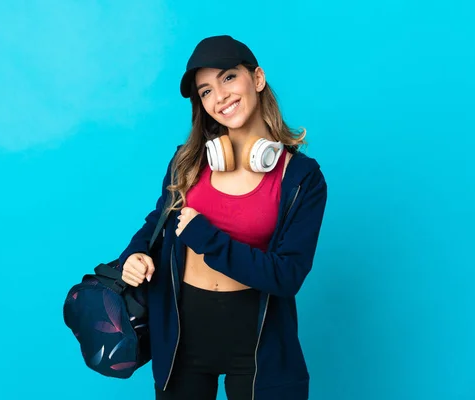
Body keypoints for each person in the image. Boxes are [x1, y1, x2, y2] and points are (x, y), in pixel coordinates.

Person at [118, 35, 327, 400]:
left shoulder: (301, 178)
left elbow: (288, 275)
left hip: (258, 341)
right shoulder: (189, 161)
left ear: (257, 79)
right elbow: (157, 222)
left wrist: (208, 239)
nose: (220, 96)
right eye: (206, 91)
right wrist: (134, 255)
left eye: (229, 77)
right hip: (184, 334)